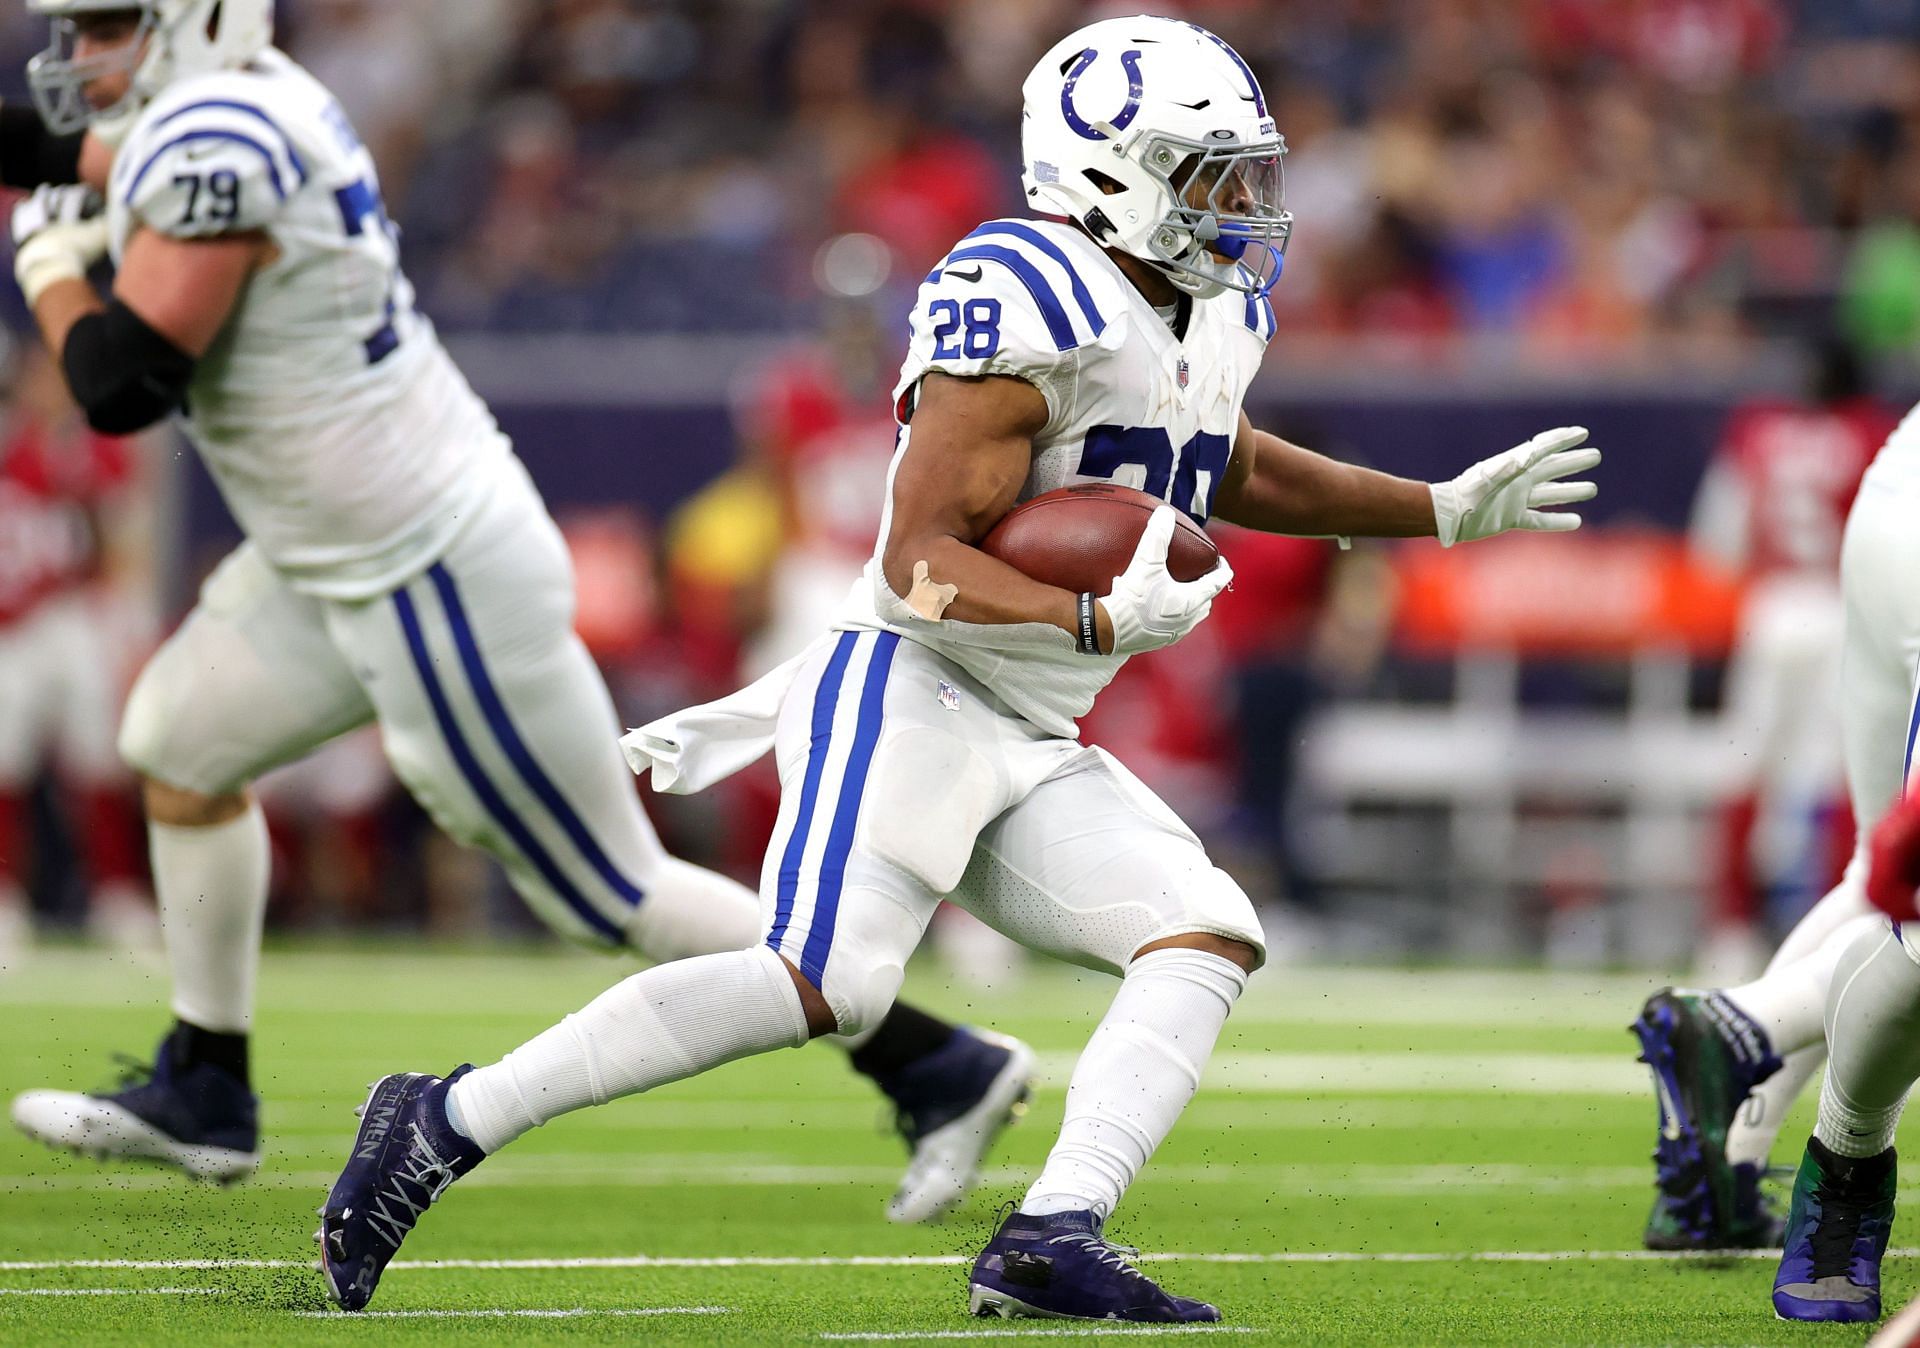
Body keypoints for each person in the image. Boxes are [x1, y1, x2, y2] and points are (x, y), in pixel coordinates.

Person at [317, 16, 1600, 1323]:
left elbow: (1228, 456)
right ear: (1105, 171)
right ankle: (441, 1119)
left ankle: (1052, 1231)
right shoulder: (1025, 296)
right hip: (914, 686)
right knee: (824, 979)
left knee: (1204, 934)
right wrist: (1087, 620)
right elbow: (913, 562)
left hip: (1031, 725)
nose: (1239, 203)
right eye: (1205, 171)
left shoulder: (1210, 309)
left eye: (1242, 171)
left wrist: (1435, 509)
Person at [2, 0, 1031, 1227]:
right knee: (178, 750)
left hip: (424, 568)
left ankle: (939, 1059)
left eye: (111, 24)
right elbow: (93, 156)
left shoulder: (222, 133)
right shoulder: (233, 108)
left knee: (611, 890)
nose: (83, 56)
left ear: (195, 22)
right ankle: (205, 1086)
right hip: (331, 554)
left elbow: (122, 381)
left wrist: (48, 267)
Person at [1629, 389, 1920, 1259]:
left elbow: (1718, 541)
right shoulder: (1846, 422)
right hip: (1851, 585)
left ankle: (1731, 1157)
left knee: (1867, 857)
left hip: (1870, 529)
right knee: (1889, 864)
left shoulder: (1762, 428)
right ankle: (1742, 1022)